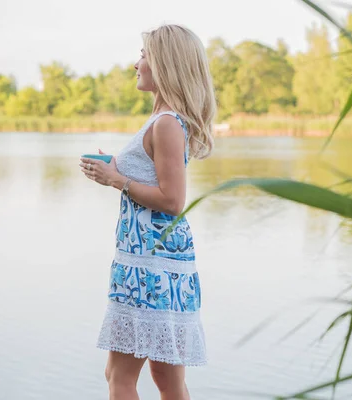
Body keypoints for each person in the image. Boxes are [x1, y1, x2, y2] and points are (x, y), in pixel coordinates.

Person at [79, 24, 216, 400]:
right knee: (165, 378)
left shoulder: (168, 124)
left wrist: (115, 180)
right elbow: (153, 177)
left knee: (118, 377)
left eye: (143, 54)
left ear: (165, 64)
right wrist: (114, 168)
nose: (136, 63)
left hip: (151, 265)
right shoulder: (163, 120)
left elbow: (173, 201)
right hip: (151, 260)